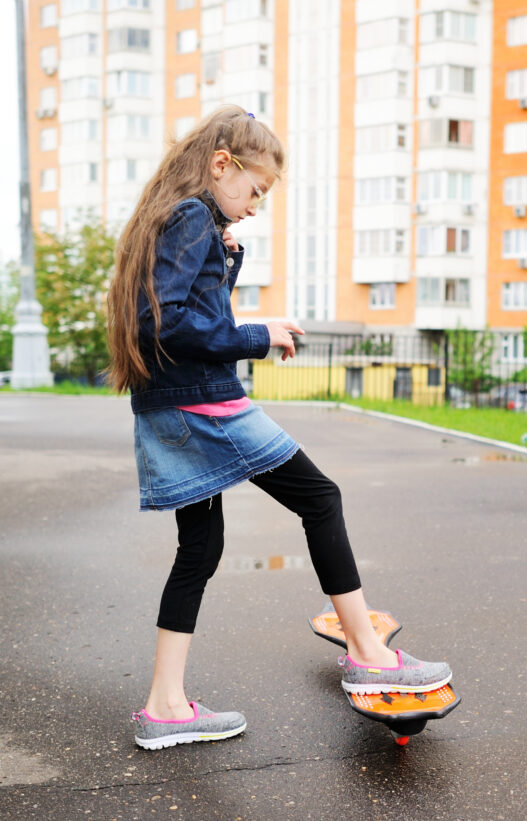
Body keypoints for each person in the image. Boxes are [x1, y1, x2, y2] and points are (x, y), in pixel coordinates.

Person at [106, 105, 451, 751]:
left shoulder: (184, 218)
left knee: (200, 549)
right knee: (320, 497)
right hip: (203, 406)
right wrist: (257, 336)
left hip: (171, 406)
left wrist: (226, 260)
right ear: (220, 165)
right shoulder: (188, 216)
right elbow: (169, 325)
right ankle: (371, 653)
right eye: (255, 189)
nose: (257, 204)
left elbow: (180, 309)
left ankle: (165, 705)